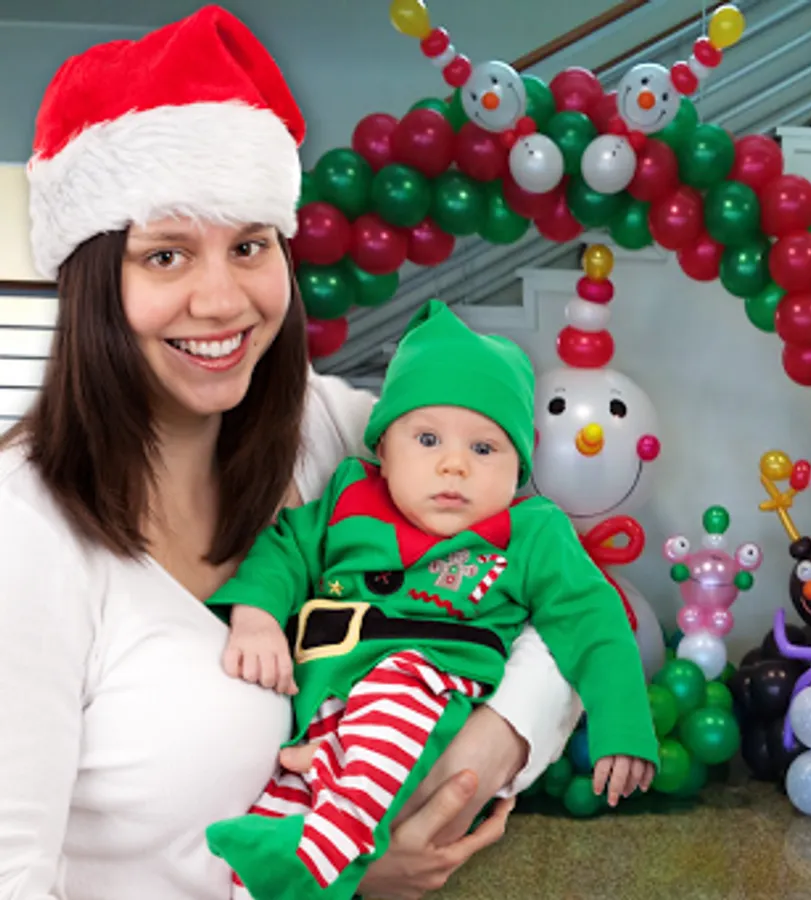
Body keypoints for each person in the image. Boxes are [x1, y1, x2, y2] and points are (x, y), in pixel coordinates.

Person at [0, 7, 583, 898]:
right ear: (91, 283)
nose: (220, 299)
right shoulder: (24, 534)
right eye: (165, 256)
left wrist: (490, 744)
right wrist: (343, 874)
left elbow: (567, 584)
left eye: (249, 245)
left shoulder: (336, 436)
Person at [204, 301, 657, 899]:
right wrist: (257, 618)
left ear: (519, 465)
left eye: (484, 449)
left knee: (392, 704)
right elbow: (283, 550)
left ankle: (318, 857)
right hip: (325, 700)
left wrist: (623, 724)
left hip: (428, 689)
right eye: (426, 439)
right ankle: (262, 875)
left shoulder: (531, 531)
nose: (454, 465)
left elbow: (593, 617)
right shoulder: (349, 498)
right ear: (383, 451)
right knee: (286, 795)